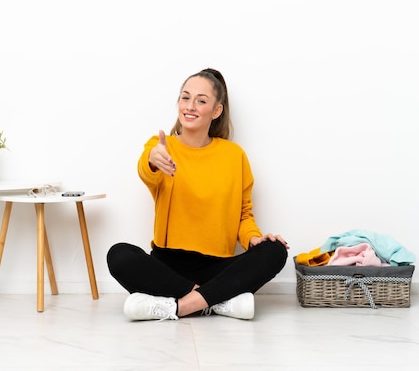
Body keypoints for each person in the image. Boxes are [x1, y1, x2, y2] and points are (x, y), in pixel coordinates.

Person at [106, 68, 289, 321]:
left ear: (216, 110)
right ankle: (216, 301)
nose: (190, 106)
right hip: (168, 265)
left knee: (275, 250)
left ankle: (179, 306)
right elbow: (146, 171)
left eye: (201, 101)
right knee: (119, 255)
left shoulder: (234, 156)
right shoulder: (162, 147)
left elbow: (243, 214)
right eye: (185, 97)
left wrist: (254, 239)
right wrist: (152, 159)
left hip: (218, 266)